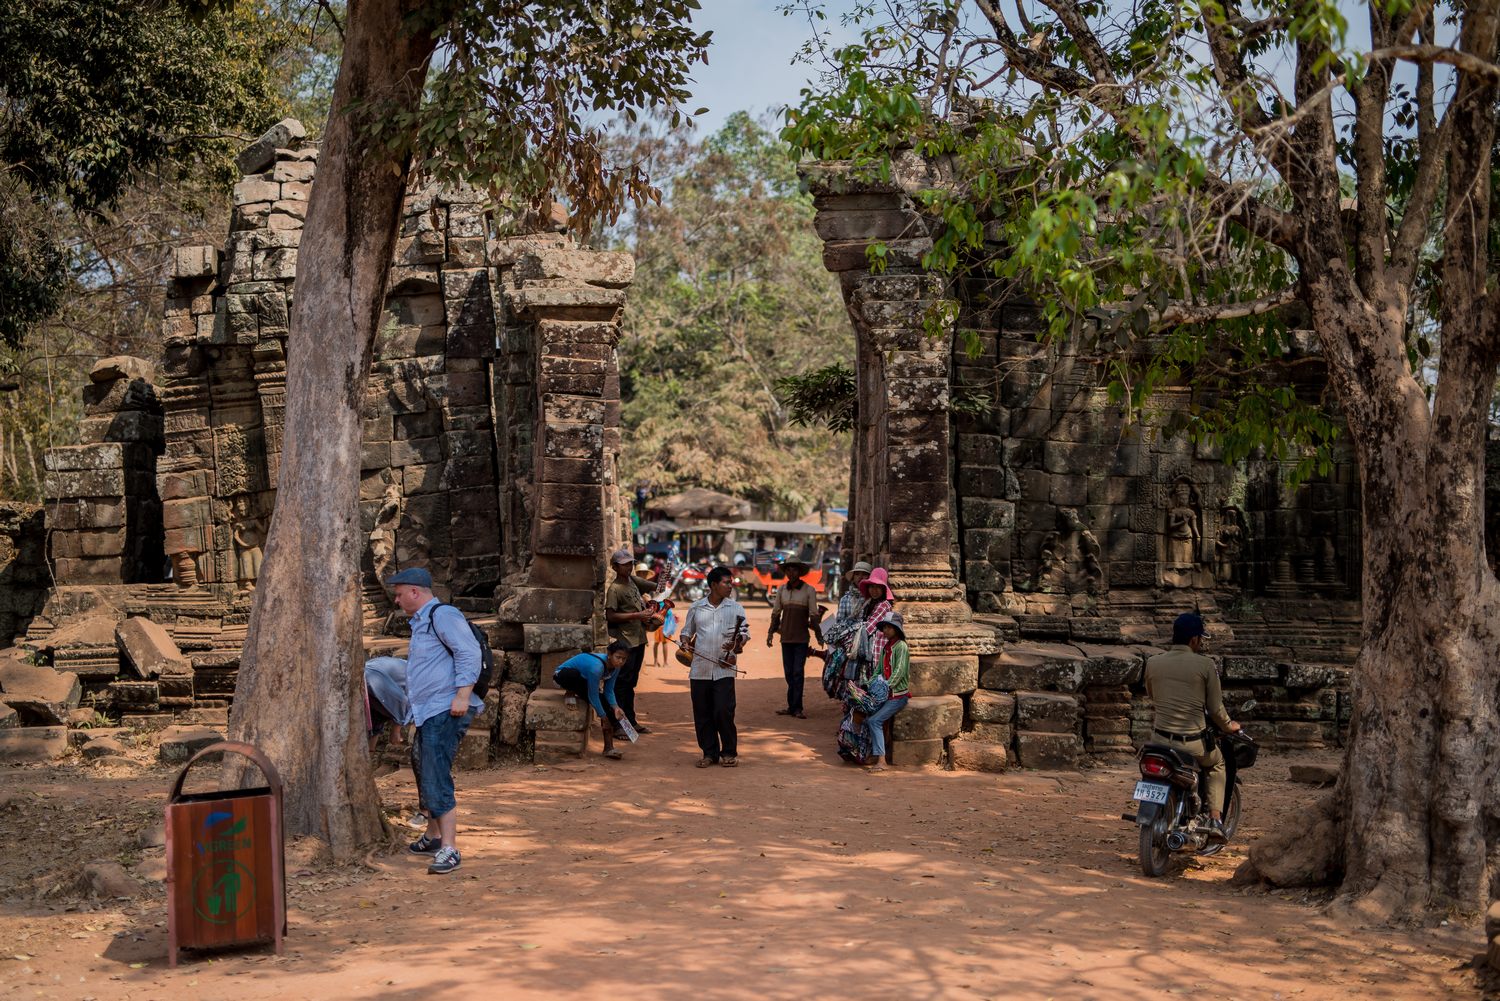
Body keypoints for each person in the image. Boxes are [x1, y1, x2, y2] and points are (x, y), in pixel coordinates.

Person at [387, 567, 483, 875]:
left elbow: (469, 653)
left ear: (415, 592)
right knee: (422, 766)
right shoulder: (422, 621)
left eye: (399, 594)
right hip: (429, 710)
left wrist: (462, 695)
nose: (397, 600)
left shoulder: (443, 616)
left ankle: (450, 848)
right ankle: (433, 835)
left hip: (447, 708)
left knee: (435, 774)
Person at [1143, 612, 1242, 842]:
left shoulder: (1153, 662)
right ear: (1194, 639)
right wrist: (1229, 726)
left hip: (1158, 742)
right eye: (1200, 639)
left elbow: (1152, 695)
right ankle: (1215, 820)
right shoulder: (1205, 665)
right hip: (1191, 744)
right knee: (1217, 763)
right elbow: (1215, 709)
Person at [680, 565, 749, 767]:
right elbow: (686, 632)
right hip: (700, 669)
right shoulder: (697, 607)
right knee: (702, 713)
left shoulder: (736, 608)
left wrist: (736, 644)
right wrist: (685, 642)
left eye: (730, 582)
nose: (730, 586)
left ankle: (728, 752)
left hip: (724, 668)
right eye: (726, 582)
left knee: (723, 711)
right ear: (713, 585)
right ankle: (709, 753)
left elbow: (744, 634)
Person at [553, 641, 632, 759]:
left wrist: (615, 707)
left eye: (624, 659)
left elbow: (609, 690)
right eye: (618, 657)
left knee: (607, 706)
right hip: (562, 676)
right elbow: (593, 695)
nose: (620, 661)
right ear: (609, 654)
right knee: (572, 676)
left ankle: (609, 748)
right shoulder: (597, 667)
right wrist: (602, 716)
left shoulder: (616, 667)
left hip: (584, 680)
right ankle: (570, 691)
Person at [605, 548, 654, 737]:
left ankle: (631, 721)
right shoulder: (615, 589)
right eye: (624, 564)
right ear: (615, 567)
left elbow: (655, 586)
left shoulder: (632, 582)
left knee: (631, 682)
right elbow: (610, 616)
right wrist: (637, 615)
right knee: (621, 683)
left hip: (639, 638)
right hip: (625, 641)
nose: (628, 567)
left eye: (630, 564)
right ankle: (618, 725)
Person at [767, 559, 822, 718]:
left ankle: (797, 707)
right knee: (789, 673)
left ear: (799, 572)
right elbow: (776, 613)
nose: (791, 573)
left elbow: (814, 615)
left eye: (794, 570)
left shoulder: (809, 590)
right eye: (788, 570)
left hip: (801, 639)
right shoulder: (781, 590)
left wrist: (818, 635)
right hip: (786, 638)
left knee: (798, 672)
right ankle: (792, 706)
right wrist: (770, 633)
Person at [857, 611, 911, 772]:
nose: (885, 630)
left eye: (889, 627)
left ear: (897, 629)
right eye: (884, 627)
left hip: (897, 696)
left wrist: (885, 687)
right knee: (865, 715)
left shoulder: (901, 647)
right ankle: (874, 753)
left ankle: (881, 761)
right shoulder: (886, 647)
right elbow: (878, 670)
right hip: (886, 695)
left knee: (875, 721)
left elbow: (899, 671)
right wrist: (868, 685)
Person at [815, 560, 872, 699]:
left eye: (864, 574)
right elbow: (840, 622)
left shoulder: (872, 598)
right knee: (845, 673)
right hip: (847, 643)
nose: (860, 577)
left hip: (865, 643)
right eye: (857, 574)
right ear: (853, 578)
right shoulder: (846, 599)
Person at [651, 603, 678, 668]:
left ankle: (655, 662)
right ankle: (665, 663)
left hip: (657, 625)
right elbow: (669, 614)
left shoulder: (656, 604)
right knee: (664, 643)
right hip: (664, 627)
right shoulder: (666, 604)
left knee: (656, 643)